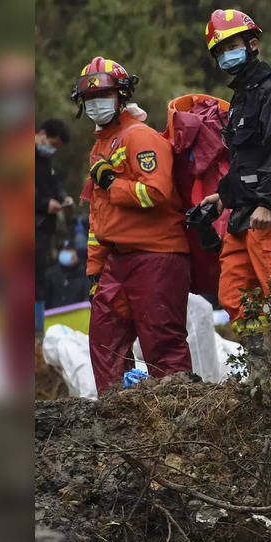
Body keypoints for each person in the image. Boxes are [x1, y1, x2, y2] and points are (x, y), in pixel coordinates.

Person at [197, 9, 271, 394]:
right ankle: (266, 384)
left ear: (252, 44)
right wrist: (222, 196)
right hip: (244, 215)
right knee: (235, 295)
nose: (227, 54)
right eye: (221, 49)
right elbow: (246, 161)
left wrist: (266, 202)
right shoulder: (243, 95)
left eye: (232, 45)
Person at [75, 57, 192, 395]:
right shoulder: (100, 147)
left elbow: (156, 192)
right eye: (90, 99)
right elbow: (99, 216)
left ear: (122, 96)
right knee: (104, 340)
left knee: (162, 344)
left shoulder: (140, 137)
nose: (97, 104)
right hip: (118, 260)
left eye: (105, 95)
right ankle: (117, 417)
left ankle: (177, 416)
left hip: (158, 255)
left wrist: (113, 183)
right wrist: (95, 269)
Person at [36, 118, 72, 323]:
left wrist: (62, 197)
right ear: (42, 134)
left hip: (44, 229)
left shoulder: (45, 160)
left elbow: (54, 183)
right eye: (54, 144)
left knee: (39, 279)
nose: (54, 149)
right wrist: (43, 204)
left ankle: (38, 331)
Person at [44, 240, 88, 309]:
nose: (65, 253)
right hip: (54, 317)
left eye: (69, 250)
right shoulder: (51, 274)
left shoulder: (84, 274)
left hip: (77, 316)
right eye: (63, 250)